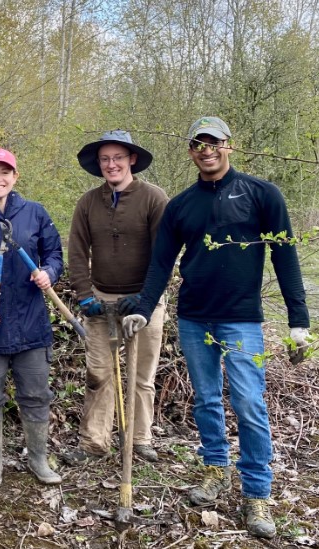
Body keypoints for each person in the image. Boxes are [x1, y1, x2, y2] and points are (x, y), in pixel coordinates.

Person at [123, 117, 312, 539]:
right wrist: (144, 307)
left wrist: (299, 322)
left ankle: (257, 493)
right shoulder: (182, 205)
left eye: (213, 142)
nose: (205, 149)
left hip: (242, 319)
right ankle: (214, 469)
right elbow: (160, 263)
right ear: (190, 150)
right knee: (206, 399)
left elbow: (285, 257)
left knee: (248, 403)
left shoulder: (262, 195)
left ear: (229, 146)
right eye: (197, 143)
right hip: (193, 317)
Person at [65, 130, 169, 464]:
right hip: (101, 300)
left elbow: (163, 255)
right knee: (99, 374)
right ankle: (94, 441)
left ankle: (139, 439)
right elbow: (78, 253)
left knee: (142, 376)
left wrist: (144, 297)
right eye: (105, 159)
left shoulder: (154, 198)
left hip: (145, 302)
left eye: (118, 158)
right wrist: (84, 295)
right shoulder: (88, 203)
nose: (112, 165)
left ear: (131, 160)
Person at [0, 148, 63, 488]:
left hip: (32, 327)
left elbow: (54, 254)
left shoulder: (35, 213)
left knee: (36, 396)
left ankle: (38, 457)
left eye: (4, 172)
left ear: (15, 176)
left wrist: (49, 272)